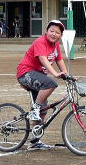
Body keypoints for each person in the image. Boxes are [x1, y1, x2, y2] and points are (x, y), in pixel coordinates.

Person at [16, 20, 67, 150]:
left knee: (43, 111)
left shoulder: (55, 46)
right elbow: (43, 60)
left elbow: (59, 60)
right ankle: (34, 109)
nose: (54, 34)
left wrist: (67, 75)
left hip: (37, 76)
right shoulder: (40, 42)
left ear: (60, 35)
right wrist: (55, 73)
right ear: (46, 31)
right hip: (25, 73)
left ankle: (34, 141)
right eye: (52, 31)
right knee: (50, 83)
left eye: (58, 32)